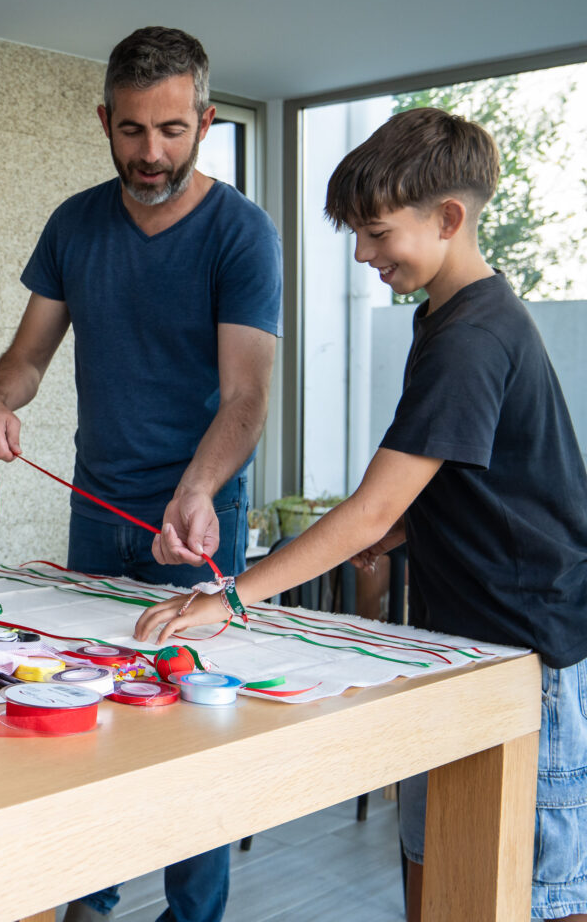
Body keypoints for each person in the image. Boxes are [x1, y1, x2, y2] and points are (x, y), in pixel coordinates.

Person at [136, 107, 587, 922]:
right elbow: (460, 479)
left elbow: (373, 505)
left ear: (448, 218)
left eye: (377, 233)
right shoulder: (443, 317)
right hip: (467, 640)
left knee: (532, 891)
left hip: (531, 645)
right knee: (436, 857)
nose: (362, 255)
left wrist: (232, 597)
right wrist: (408, 528)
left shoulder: (474, 336)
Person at [0, 27, 283, 922]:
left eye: (173, 131)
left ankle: (193, 916)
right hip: (96, 514)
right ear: (105, 121)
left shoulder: (241, 233)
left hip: (198, 519)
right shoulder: (75, 224)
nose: (152, 153)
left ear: (205, 123)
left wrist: (197, 489)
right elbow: (28, 356)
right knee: (82, 707)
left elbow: (247, 396)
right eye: (134, 129)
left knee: (192, 724)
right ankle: (88, 901)